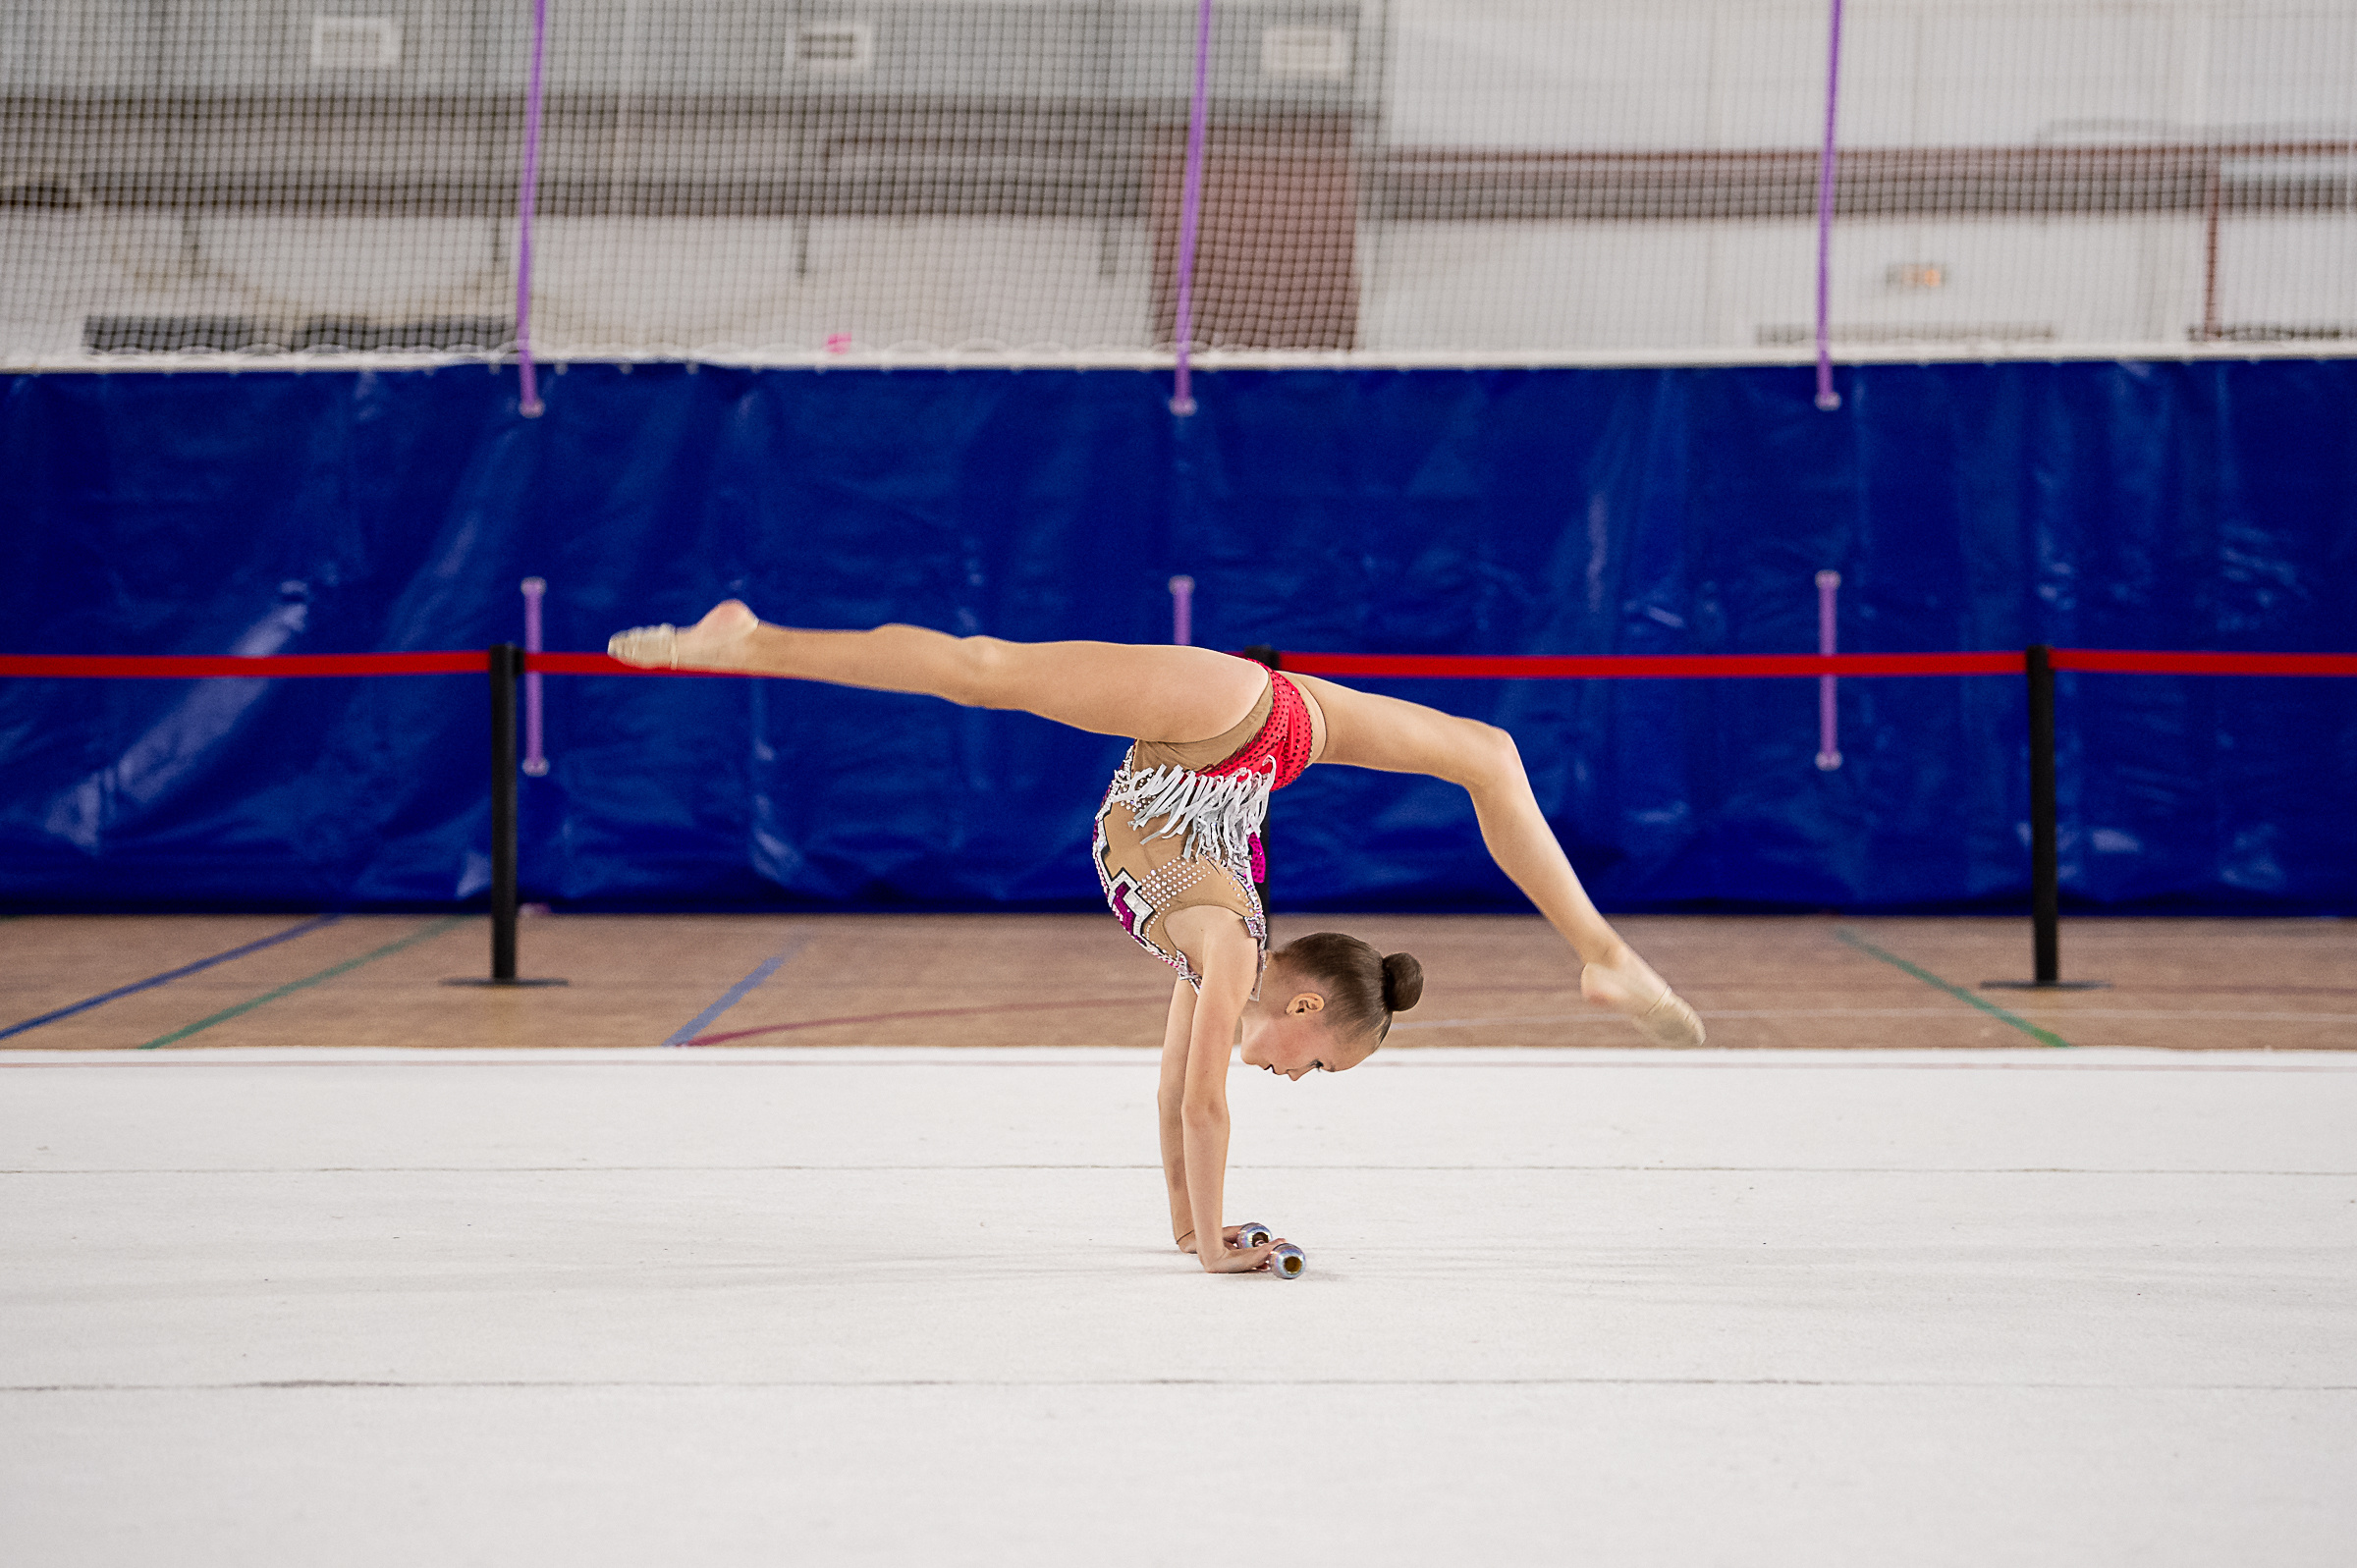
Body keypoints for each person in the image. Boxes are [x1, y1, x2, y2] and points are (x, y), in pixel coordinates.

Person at [609, 602, 1705, 1273]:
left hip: (1265, 743)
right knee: (984, 668)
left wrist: (1192, 1227)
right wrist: (1226, 1249)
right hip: (1230, 718)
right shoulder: (1232, 946)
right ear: (1306, 1006)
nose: (1296, 1075)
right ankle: (751, 640)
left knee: (1491, 748)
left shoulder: (1229, 937)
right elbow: (1203, 1102)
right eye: (1316, 1063)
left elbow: (1174, 1083)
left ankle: (1603, 951)